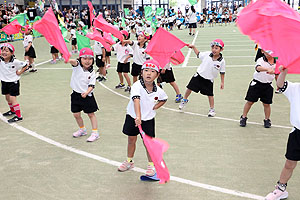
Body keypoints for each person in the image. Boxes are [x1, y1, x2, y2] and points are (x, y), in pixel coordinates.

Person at [117, 59, 168, 176]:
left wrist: (156, 107)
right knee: (131, 139)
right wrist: (138, 117)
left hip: (148, 120)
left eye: (152, 71)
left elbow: (164, 99)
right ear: (141, 72)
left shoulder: (159, 91)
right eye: (146, 70)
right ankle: (129, 161)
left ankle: (151, 165)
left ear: (157, 74)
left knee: (148, 144)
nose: (148, 73)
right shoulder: (136, 85)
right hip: (133, 117)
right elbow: (136, 100)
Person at [264, 66, 299, 200]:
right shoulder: (295, 89)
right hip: (297, 134)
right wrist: (284, 71)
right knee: (289, 163)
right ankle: (281, 189)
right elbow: (280, 85)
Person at [179, 39, 226, 117]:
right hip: (199, 75)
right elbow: (198, 54)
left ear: (221, 49)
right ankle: (184, 100)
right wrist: (194, 47)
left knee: (210, 95)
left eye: (216, 48)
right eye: (213, 47)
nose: (214, 50)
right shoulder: (207, 54)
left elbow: (222, 72)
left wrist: (222, 82)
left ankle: (212, 109)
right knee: (189, 88)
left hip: (209, 79)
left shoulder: (222, 61)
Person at [68, 48, 100, 142]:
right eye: (84, 58)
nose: (87, 61)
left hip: (87, 96)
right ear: (80, 59)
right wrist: (67, 58)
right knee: (76, 114)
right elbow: (73, 61)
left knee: (91, 114)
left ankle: (95, 132)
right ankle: (82, 129)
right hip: (76, 95)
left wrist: (86, 92)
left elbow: (91, 85)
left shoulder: (92, 72)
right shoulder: (77, 66)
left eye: (90, 59)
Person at [239, 50, 276, 128]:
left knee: (266, 104)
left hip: (268, 86)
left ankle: (267, 119)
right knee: (250, 101)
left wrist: (279, 84)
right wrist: (267, 69)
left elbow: (277, 74)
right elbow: (258, 68)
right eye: (267, 51)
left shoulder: (276, 61)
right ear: (262, 51)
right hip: (257, 84)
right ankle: (243, 117)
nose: (269, 53)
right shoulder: (261, 60)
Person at [0, 43, 28, 123]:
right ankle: (12, 111)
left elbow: (26, 65)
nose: (4, 52)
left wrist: (20, 72)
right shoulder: (1, 60)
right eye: (2, 50)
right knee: (7, 98)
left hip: (13, 82)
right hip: (4, 81)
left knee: (12, 98)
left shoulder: (15, 61)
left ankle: (19, 116)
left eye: (6, 51)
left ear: (12, 53)